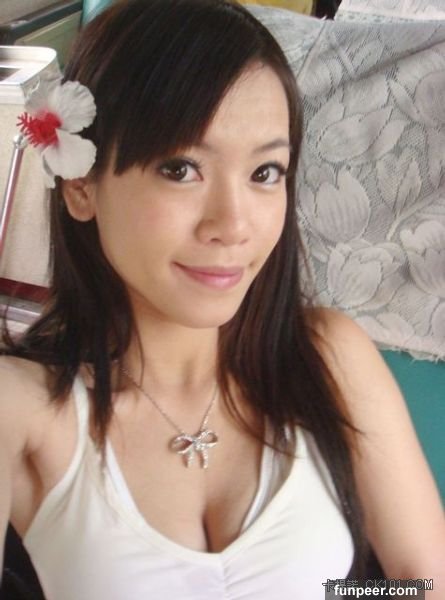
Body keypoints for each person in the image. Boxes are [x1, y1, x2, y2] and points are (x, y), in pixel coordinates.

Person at [0, 0, 444, 598]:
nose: (233, 226)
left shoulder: (329, 357)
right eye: (181, 168)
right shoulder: (20, 408)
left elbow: (422, 581)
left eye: (265, 173)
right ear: (81, 187)